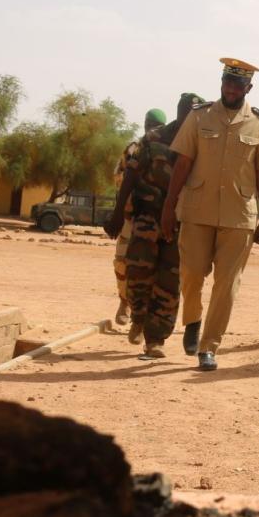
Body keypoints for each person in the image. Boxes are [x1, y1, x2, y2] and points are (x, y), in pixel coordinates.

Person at [161, 58, 259, 371]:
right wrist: (169, 207)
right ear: (221, 82)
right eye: (227, 81)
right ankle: (193, 321)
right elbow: (183, 164)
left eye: (238, 84)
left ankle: (208, 346)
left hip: (239, 216)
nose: (231, 88)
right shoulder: (199, 116)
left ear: (248, 88)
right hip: (197, 210)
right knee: (191, 274)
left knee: (227, 284)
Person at [103, 100, 192, 359]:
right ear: (179, 112)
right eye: (186, 113)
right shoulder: (154, 139)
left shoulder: (203, 143)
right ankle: (138, 319)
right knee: (138, 272)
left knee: (170, 280)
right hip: (148, 217)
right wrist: (118, 213)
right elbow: (130, 176)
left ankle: (156, 339)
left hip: (180, 223)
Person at [112, 108, 166, 325]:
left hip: (157, 218)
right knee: (121, 263)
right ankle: (124, 302)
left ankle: (143, 314)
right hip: (130, 216)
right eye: (148, 124)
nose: (151, 129)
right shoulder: (133, 149)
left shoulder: (169, 150)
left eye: (155, 125)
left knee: (152, 267)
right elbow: (119, 177)